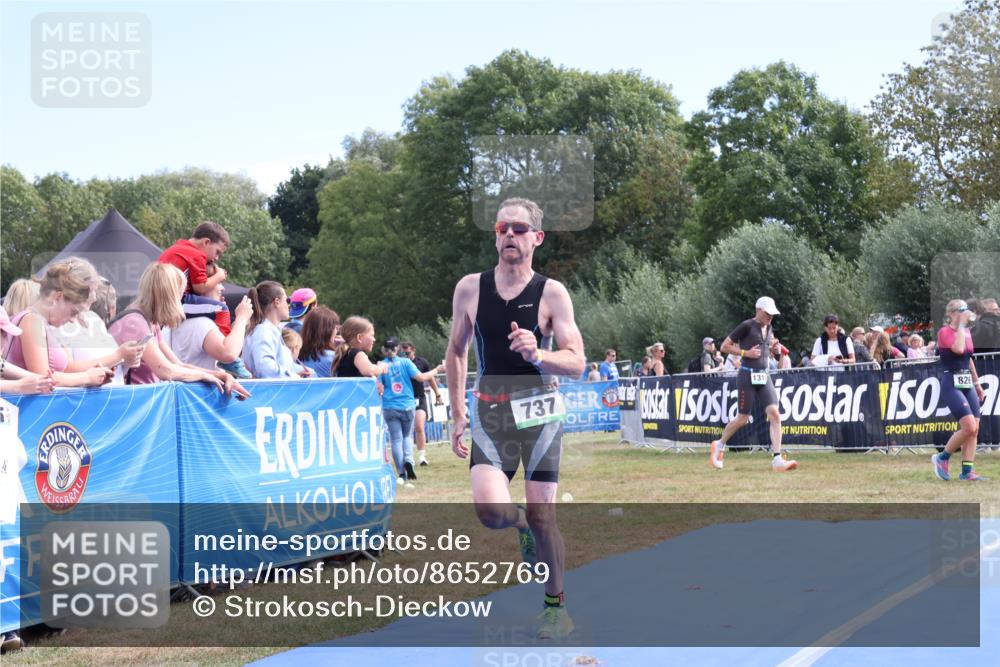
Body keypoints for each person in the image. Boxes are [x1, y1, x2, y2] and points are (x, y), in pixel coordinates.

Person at [446, 197, 585, 639]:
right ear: (495, 234)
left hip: (539, 410)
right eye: (503, 227)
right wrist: (456, 413)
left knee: (547, 519)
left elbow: (577, 362)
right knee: (490, 511)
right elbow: (456, 350)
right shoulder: (470, 287)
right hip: (490, 407)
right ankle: (518, 520)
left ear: (536, 239)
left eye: (520, 229)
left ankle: (555, 606)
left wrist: (539, 353)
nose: (510, 234)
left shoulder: (551, 292)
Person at [109, 263, 248, 398]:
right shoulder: (135, 322)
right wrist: (206, 376)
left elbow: (177, 365)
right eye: (179, 296)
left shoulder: (149, 321)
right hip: (132, 402)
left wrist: (221, 375)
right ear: (169, 296)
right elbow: (165, 370)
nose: (181, 301)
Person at [709, 297, 798, 472]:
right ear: (758, 310)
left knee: (775, 414)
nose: (771, 316)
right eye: (768, 313)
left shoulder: (769, 327)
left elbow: (766, 350)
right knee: (742, 418)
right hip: (746, 376)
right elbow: (725, 347)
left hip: (764, 376)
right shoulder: (746, 326)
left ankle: (777, 459)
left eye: (773, 314)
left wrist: (773, 351)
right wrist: (745, 352)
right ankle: (719, 446)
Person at [2, 259, 122, 388]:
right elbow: (43, 379)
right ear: (58, 297)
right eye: (73, 312)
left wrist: (92, 376)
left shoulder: (41, 323)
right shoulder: (32, 321)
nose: (72, 320)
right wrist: (86, 377)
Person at [932, 300, 987, 481]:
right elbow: (957, 348)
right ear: (952, 313)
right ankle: (942, 458)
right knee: (968, 426)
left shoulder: (966, 332)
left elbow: (968, 357)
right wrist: (962, 325)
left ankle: (966, 472)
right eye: (962, 310)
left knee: (975, 429)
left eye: (966, 310)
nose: (965, 313)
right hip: (951, 382)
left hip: (967, 382)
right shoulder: (944, 332)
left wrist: (977, 383)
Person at [380, 336, 443, 484]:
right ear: (397, 349)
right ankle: (409, 459)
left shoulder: (381, 365)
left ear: (384, 350)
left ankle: (401, 473)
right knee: (407, 436)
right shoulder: (406, 362)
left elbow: (378, 386)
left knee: (396, 439)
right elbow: (422, 378)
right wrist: (437, 370)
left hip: (389, 406)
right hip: (407, 405)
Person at [168, 278, 254, 372]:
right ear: (202, 287)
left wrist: (236, 326)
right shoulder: (202, 323)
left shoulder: (175, 321)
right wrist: (241, 318)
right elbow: (229, 353)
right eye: (218, 282)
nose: (223, 288)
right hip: (201, 385)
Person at [158, 221, 230, 321]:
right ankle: (224, 337)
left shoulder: (179, 246)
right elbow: (200, 288)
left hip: (162, 299)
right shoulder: (196, 254)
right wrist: (219, 276)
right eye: (217, 252)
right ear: (206, 242)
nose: (217, 258)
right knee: (221, 309)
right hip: (175, 302)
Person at [242, 281, 311, 378]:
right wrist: (295, 378)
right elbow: (266, 369)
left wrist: (293, 374)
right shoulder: (263, 332)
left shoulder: (268, 330)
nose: (289, 305)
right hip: (268, 392)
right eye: (287, 301)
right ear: (277, 302)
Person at [400, 341, 444, 466]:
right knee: (406, 430)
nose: (405, 355)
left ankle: (422, 457)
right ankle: (408, 457)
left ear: (413, 350)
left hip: (419, 398)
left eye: (407, 352)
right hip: (404, 399)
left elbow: (430, 378)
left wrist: (438, 395)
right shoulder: (400, 363)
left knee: (419, 426)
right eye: (403, 353)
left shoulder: (422, 362)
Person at [299, 306, 341, 377]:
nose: (337, 331)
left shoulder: (297, 356)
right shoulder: (333, 358)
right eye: (335, 327)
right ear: (327, 331)